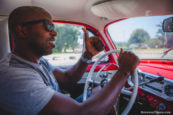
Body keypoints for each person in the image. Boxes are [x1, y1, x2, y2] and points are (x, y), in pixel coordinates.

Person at [0, 6, 140, 115]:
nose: (54, 33)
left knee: (97, 90)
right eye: (48, 26)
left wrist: (87, 55)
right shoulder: (12, 75)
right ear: (22, 31)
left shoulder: (39, 62)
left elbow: (68, 78)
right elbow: (82, 113)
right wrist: (124, 71)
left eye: (54, 28)